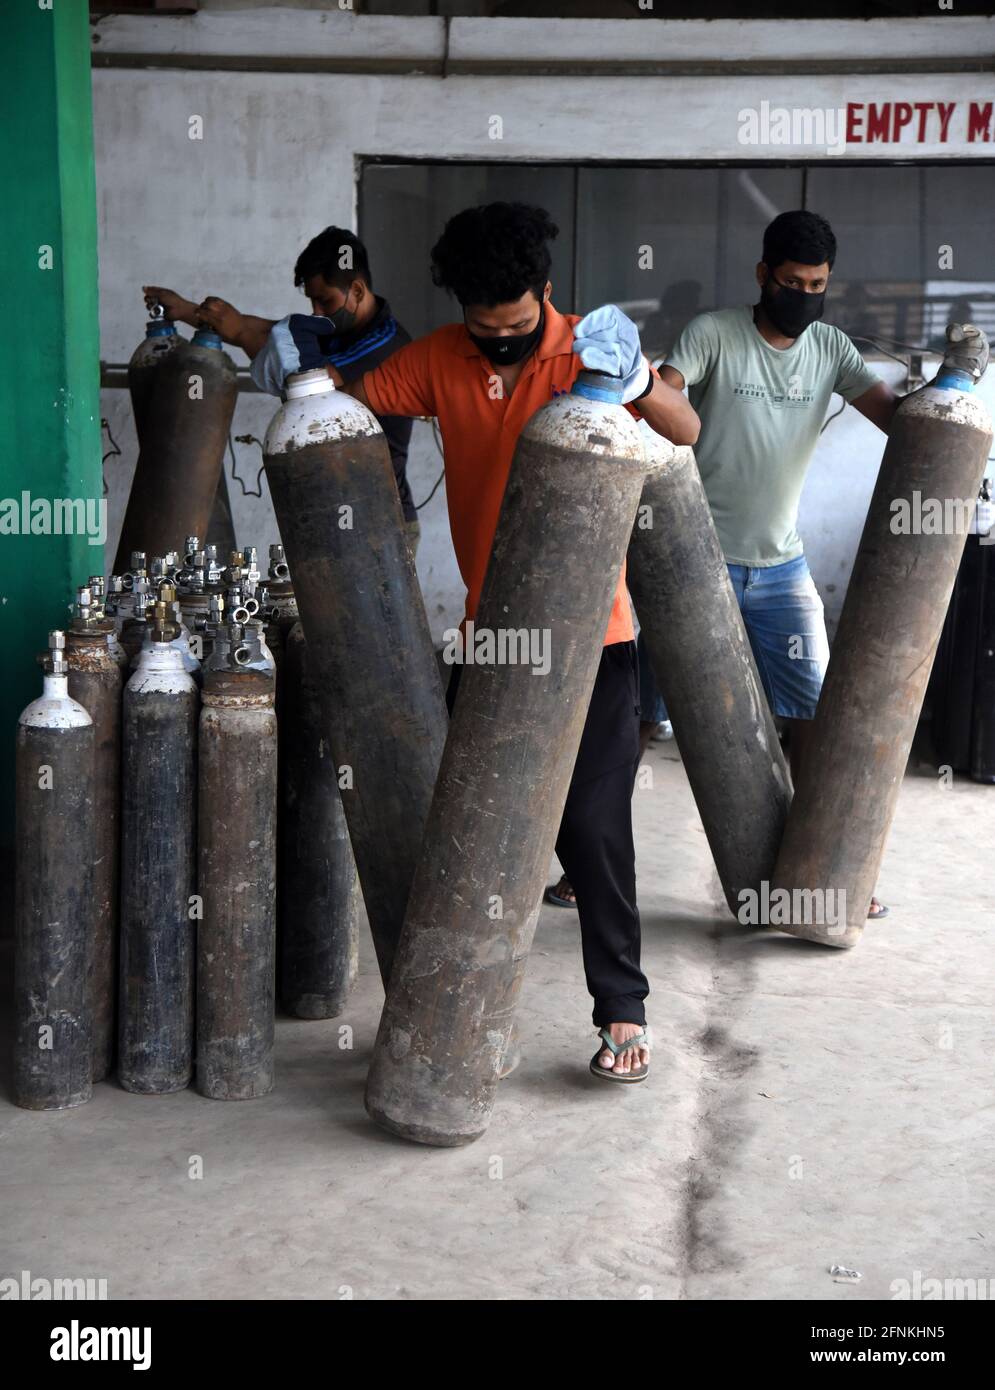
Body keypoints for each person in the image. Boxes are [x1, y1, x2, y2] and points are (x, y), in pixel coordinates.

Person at [252, 202, 700, 1080]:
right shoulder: (436, 361)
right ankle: (449, 1007)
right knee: (463, 820)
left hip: (593, 640)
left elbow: (684, 430)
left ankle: (621, 1010)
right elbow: (347, 403)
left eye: (514, 327)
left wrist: (643, 384)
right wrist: (301, 369)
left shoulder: (590, 349)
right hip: (487, 640)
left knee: (592, 828)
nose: (496, 342)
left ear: (544, 293)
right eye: (480, 327)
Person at [642, 208, 988, 921]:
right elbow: (665, 394)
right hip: (690, 564)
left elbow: (896, 422)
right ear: (762, 275)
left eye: (817, 284)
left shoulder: (829, 348)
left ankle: (828, 865)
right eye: (791, 281)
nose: (803, 294)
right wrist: (642, 382)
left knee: (815, 716)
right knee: (637, 720)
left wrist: (953, 385)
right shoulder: (713, 334)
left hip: (778, 570)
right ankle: (589, 869)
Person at [143, 226, 422, 555]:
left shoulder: (387, 345)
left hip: (378, 521)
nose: (316, 311)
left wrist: (244, 331)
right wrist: (189, 310)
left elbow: (310, 385)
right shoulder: (338, 326)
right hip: (332, 508)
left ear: (357, 290)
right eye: (311, 301)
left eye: (325, 300)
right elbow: (265, 331)